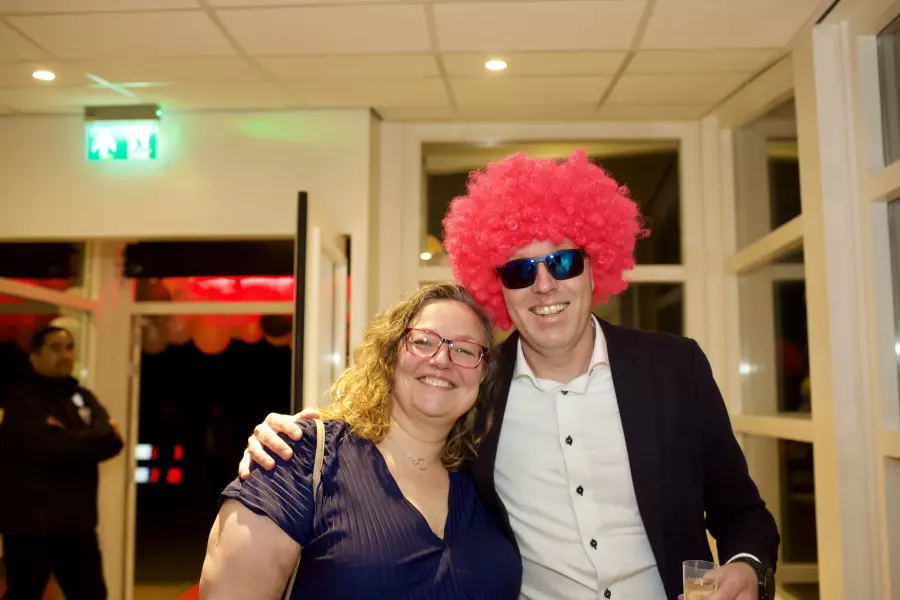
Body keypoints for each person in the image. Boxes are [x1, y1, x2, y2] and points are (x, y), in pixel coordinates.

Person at [240, 151, 780, 600]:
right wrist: (300, 439)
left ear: (594, 265)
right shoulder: (474, 388)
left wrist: (747, 566)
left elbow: (743, 513)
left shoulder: (675, 369)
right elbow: (398, 431)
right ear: (498, 287)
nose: (544, 286)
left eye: (562, 262)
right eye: (521, 271)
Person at [200, 283, 522, 599]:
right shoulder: (299, 458)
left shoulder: (482, 480)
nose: (441, 359)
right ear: (390, 354)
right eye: (424, 341)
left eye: (464, 349)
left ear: (484, 375)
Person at [0, 326, 123, 600]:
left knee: (92, 595)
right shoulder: (23, 400)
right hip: (30, 528)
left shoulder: (81, 396)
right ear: (34, 356)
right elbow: (47, 447)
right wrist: (89, 437)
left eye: (69, 348)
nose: (65, 355)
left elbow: (113, 441)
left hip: (78, 528)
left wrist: (67, 435)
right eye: (55, 348)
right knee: (23, 594)